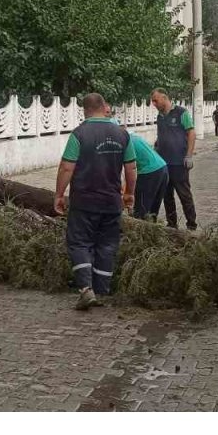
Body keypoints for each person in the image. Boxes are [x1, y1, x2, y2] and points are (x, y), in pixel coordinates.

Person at [55, 93, 138, 310]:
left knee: (80, 243)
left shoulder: (79, 134)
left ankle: (86, 289)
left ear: (85, 110)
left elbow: (66, 167)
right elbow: (131, 168)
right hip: (112, 202)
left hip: (84, 201)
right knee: (108, 245)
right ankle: (102, 289)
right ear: (104, 107)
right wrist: (129, 193)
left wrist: (58, 195)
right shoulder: (122, 134)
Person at [150, 88, 197, 231]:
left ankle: (191, 225)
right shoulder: (160, 116)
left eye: (155, 100)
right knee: (167, 195)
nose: (154, 104)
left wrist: (189, 155)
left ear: (164, 98)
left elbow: (191, 133)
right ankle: (172, 224)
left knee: (184, 194)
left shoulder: (181, 113)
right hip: (164, 163)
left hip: (179, 163)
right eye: (152, 101)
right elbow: (162, 135)